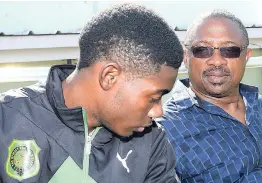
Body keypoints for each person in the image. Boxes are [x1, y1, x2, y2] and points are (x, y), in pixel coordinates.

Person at [0, 4, 184, 183]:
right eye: (154, 98)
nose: (158, 112)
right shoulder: (7, 119)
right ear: (109, 77)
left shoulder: (151, 144)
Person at [156, 9, 262, 182]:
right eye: (202, 50)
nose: (217, 61)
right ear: (186, 57)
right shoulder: (164, 131)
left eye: (229, 50)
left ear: (246, 56)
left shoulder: (258, 105)